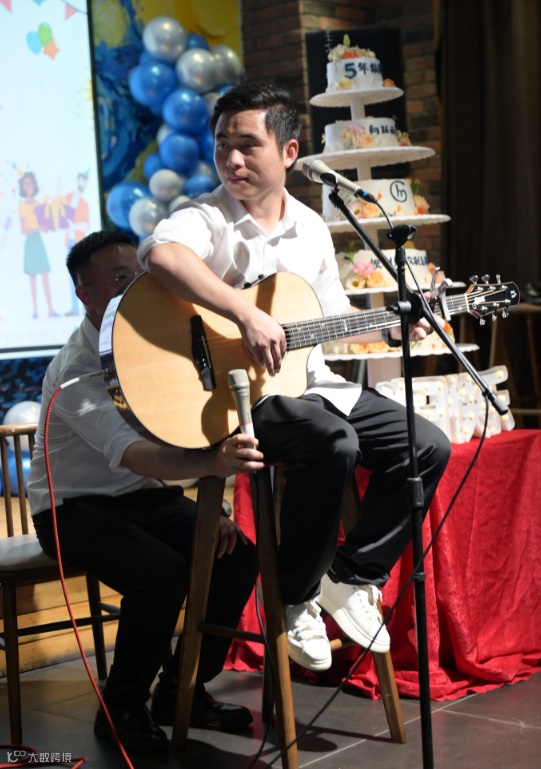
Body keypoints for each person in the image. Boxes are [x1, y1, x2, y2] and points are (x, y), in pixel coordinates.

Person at [137, 81, 452, 673]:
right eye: (222, 144)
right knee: (333, 442)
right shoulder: (207, 217)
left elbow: (330, 317)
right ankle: (294, 595)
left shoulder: (310, 226)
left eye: (247, 145)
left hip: (309, 384)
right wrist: (244, 313)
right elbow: (161, 256)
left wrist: (392, 328)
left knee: (427, 443)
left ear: (288, 152)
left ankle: (350, 577)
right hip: (232, 399)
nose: (231, 159)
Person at [27, 229, 264, 754]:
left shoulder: (151, 344)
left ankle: (183, 690)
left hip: (139, 495)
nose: (135, 285)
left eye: (137, 273)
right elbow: (134, 452)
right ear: (85, 295)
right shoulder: (75, 370)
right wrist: (212, 463)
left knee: (235, 555)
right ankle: (122, 707)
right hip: (71, 511)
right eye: (118, 277)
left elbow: (164, 442)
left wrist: (210, 509)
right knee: (161, 574)